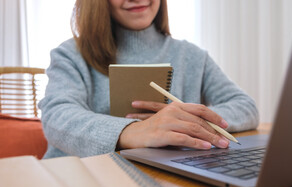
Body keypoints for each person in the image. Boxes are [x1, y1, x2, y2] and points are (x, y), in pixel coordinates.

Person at [38, 0, 259, 158]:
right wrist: (133, 131)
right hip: (82, 180)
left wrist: (183, 123)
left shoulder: (192, 56)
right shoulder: (71, 54)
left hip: (164, 179)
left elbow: (246, 107)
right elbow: (57, 116)